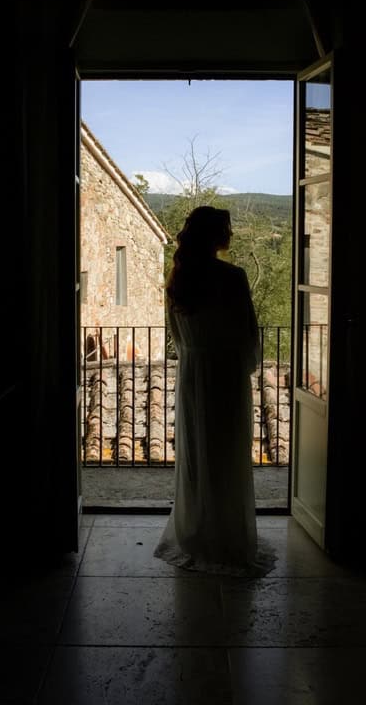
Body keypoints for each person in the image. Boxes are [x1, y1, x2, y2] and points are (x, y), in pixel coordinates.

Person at [153, 206, 276, 576]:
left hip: (192, 373)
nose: (231, 234)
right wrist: (244, 366)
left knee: (197, 453)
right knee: (226, 453)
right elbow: (247, 334)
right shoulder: (233, 277)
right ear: (214, 234)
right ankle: (227, 536)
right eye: (227, 228)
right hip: (225, 373)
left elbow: (177, 336)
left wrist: (193, 357)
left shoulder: (179, 277)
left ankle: (195, 533)